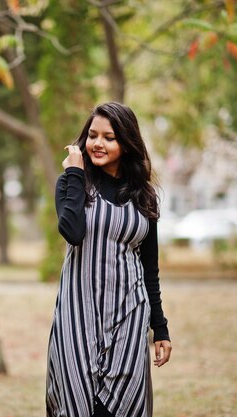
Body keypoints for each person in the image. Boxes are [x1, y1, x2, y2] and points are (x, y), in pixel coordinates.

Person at [46, 102, 172, 417]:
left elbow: (149, 268)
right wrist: (75, 171)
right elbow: (72, 232)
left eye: (109, 137)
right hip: (78, 317)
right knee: (77, 406)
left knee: (119, 408)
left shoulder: (143, 195)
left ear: (126, 143)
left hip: (130, 314)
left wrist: (161, 328)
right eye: (92, 135)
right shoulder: (72, 184)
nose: (98, 143)